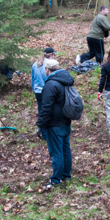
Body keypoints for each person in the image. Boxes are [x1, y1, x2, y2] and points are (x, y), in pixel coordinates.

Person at [36, 58, 76, 189]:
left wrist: (41, 125)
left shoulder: (50, 84)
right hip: (66, 121)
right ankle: (66, 175)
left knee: (56, 152)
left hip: (54, 123)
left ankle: (56, 179)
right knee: (65, 149)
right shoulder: (66, 81)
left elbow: (45, 107)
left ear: (47, 70)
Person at [32, 47, 56, 114]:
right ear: (51, 55)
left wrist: (34, 89)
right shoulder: (49, 65)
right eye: (54, 55)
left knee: (40, 107)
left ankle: (41, 122)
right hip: (46, 90)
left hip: (37, 90)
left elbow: (32, 79)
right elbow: (49, 78)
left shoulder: (35, 64)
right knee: (48, 109)